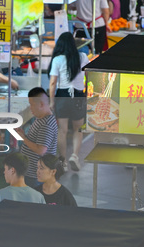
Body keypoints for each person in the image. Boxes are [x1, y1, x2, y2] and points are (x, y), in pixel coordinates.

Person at [48, 32, 89, 171]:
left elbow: (53, 83)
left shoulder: (57, 60)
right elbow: (89, 75)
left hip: (63, 95)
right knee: (78, 129)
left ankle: (63, 161)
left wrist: (52, 102)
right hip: (78, 95)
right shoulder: (82, 57)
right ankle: (75, 156)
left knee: (63, 130)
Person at [16, 87, 58, 187]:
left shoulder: (46, 124)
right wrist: (24, 135)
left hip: (35, 175)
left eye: (32, 105)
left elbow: (41, 150)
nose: (30, 108)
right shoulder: (41, 119)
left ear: (41, 104)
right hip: (32, 173)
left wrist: (24, 138)